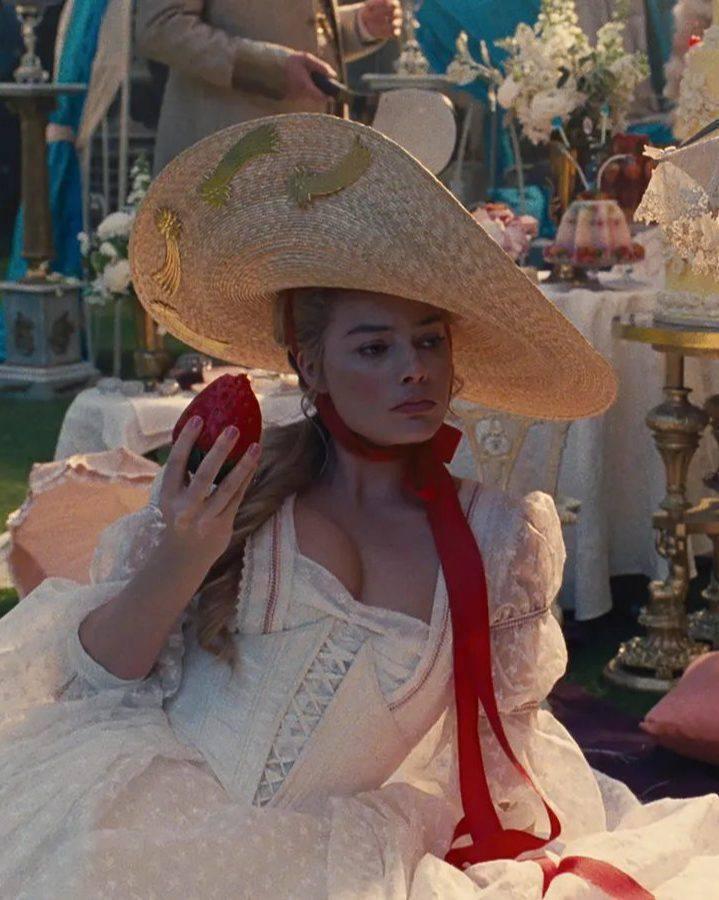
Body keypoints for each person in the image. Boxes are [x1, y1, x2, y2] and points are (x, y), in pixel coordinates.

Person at [1, 112, 718, 898]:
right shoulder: (242, 491)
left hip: (338, 858)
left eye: (429, 341)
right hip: (153, 812)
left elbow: (504, 753)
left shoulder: (500, 538)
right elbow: (96, 679)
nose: (413, 369)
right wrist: (183, 551)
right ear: (311, 367)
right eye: (374, 348)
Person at [134, 0, 402, 172]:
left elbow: (297, 29)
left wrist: (360, 26)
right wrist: (270, 68)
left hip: (307, 167)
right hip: (225, 167)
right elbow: (160, 27)